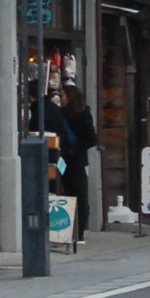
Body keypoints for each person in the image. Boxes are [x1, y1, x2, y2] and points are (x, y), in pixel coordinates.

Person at [59, 84, 99, 234]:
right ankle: (69, 229)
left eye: (63, 95)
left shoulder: (82, 114)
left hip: (77, 160)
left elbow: (92, 138)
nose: (61, 99)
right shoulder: (62, 113)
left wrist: (75, 148)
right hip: (65, 159)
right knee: (67, 193)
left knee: (79, 194)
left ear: (70, 97)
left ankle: (79, 230)